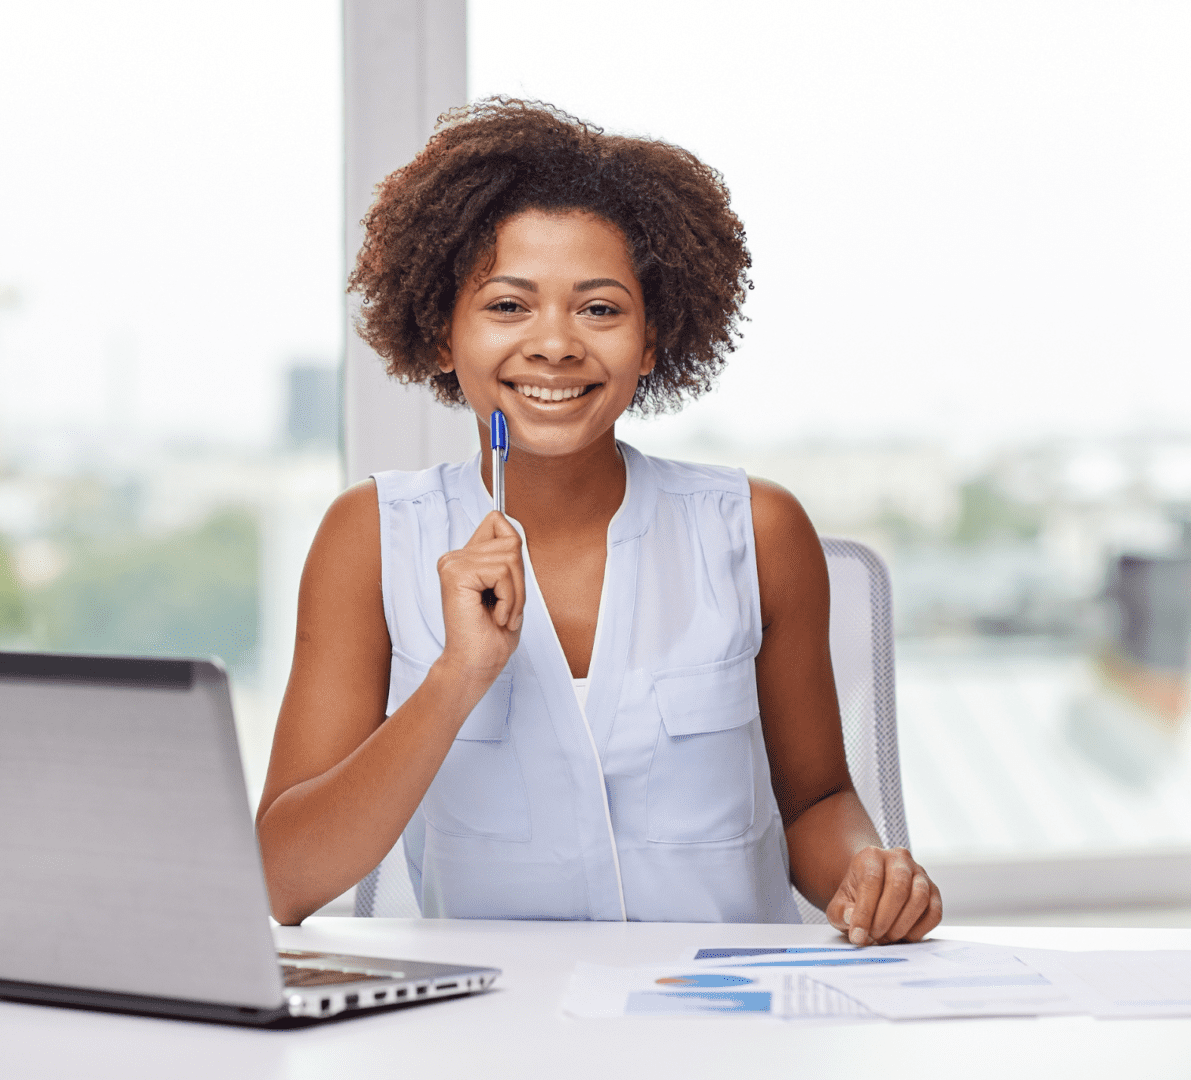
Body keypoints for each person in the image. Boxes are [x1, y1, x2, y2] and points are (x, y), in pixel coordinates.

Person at [256, 98, 942, 943]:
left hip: (726, 1026)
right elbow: (283, 881)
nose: (555, 345)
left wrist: (869, 877)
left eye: (601, 309)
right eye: (508, 306)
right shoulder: (370, 536)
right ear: (441, 336)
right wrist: (454, 680)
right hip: (494, 1033)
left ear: (653, 341)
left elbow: (816, 803)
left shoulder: (758, 530)